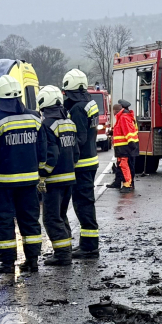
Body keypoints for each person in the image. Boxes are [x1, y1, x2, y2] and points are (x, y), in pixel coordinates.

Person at [0, 75, 48, 274]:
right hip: (29, 181)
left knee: (4, 221)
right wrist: (39, 170)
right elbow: (42, 148)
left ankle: (7, 262)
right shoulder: (35, 118)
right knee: (30, 220)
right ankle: (32, 260)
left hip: (2, 183)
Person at [37, 85, 79, 266]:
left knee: (51, 218)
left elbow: (51, 155)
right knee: (62, 216)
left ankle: (62, 255)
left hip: (54, 180)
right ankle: (66, 250)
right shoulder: (69, 123)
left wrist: (42, 174)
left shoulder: (47, 125)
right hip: (69, 177)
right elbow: (76, 152)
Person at [62, 69, 101, 259]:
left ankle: (89, 247)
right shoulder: (90, 103)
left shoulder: (77, 108)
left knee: (83, 204)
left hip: (82, 164)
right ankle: (87, 244)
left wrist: (66, 157)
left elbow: (79, 138)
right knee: (85, 203)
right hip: (91, 160)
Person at [111, 99, 139, 194]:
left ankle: (127, 184)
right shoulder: (124, 117)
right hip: (122, 147)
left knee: (125, 165)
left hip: (124, 147)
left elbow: (128, 131)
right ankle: (124, 182)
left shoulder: (123, 117)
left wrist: (131, 143)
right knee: (123, 165)